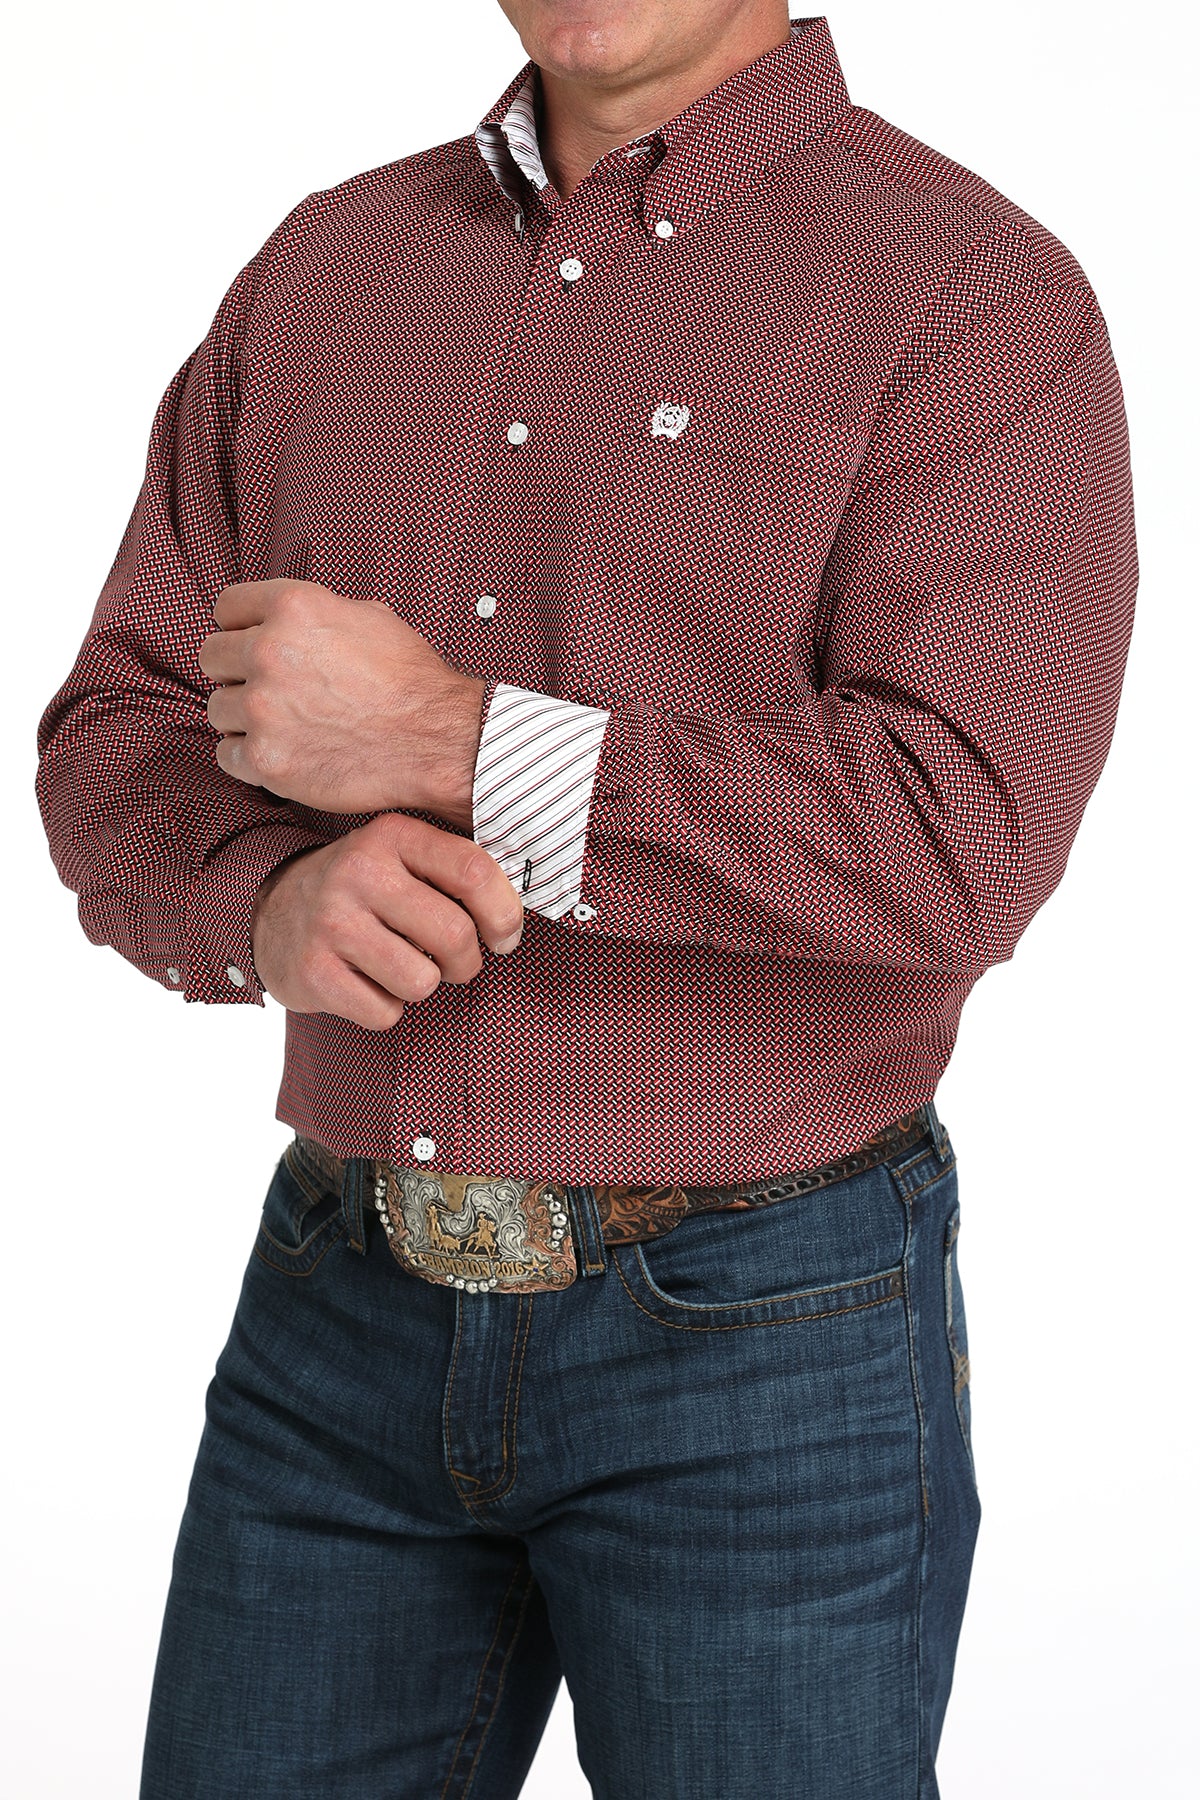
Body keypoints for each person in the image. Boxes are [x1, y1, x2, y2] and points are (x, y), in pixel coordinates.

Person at [34, 4, 1137, 1795]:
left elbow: (967, 832)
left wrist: (463, 742)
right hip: (340, 1309)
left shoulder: (970, 297)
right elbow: (115, 731)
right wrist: (260, 899)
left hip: (764, 1338)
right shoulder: (330, 269)